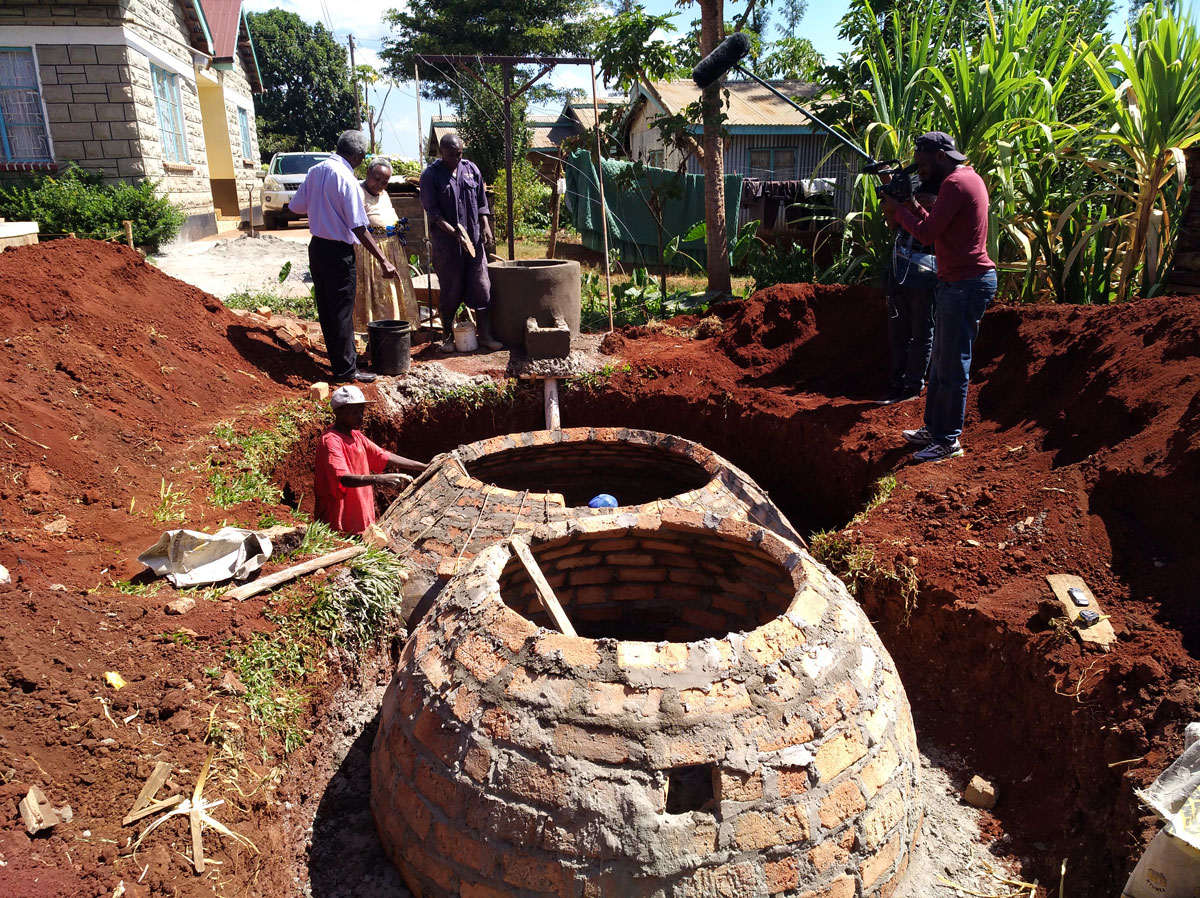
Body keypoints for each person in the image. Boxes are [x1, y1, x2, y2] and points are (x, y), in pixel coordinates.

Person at [881, 131, 997, 463]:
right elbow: (937, 223)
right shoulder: (966, 179)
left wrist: (898, 211)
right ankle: (934, 429)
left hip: (965, 283)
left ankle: (948, 441)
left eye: (922, 164)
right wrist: (911, 205)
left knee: (953, 365)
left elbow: (928, 234)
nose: (920, 171)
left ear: (941, 156)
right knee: (940, 362)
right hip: (958, 282)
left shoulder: (955, 185)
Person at [290, 130, 397, 385]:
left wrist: (322, 207)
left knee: (327, 309)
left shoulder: (315, 171)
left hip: (317, 247)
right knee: (341, 311)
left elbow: (296, 207)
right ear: (358, 156)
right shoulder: (346, 178)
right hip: (338, 252)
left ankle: (340, 363)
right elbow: (358, 226)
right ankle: (346, 371)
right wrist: (383, 259)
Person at [419, 133, 503, 352]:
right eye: (451, 155)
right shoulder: (430, 175)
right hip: (448, 247)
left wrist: (485, 225)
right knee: (451, 291)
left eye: (459, 154)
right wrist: (455, 234)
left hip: (473, 245)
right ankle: (448, 337)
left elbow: (482, 203)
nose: (456, 158)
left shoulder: (471, 169)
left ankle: (485, 336)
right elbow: (434, 214)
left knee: (482, 288)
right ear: (441, 153)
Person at [314, 385, 426, 535]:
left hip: (359, 516)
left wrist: (424, 466)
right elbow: (344, 478)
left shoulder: (355, 435)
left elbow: (383, 455)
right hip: (340, 524)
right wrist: (381, 479)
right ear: (338, 412)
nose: (360, 416)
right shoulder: (331, 441)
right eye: (355, 412)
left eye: (361, 411)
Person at [879, 184, 940, 406]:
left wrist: (929, 204)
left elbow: (933, 233)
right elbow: (892, 225)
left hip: (926, 273)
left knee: (921, 333)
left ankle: (912, 386)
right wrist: (893, 206)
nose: (921, 171)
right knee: (898, 333)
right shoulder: (916, 189)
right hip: (900, 269)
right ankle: (898, 385)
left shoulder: (948, 191)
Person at [355, 158, 420, 334]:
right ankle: (377, 334)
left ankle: (397, 332)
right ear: (367, 174)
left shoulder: (384, 194)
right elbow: (359, 227)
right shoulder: (358, 193)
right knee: (379, 295)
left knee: (394, 292)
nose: (380, 185)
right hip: (372, 252)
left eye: (384, 182)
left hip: (392, 248)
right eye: (377, 179)